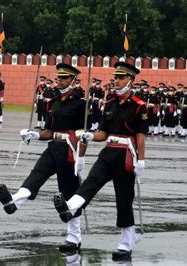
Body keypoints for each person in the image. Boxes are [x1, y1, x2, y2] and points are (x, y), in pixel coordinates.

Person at [53, 62, 148, 262]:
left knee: (124, 199)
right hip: (109, 151)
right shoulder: (110, 102)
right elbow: (103, 133)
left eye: (121, 77)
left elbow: (140, 135)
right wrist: (89, 136)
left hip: (126, 154)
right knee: (91, 182)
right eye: (115, 77)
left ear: (130, 80)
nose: (116, 80)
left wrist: (141, 161)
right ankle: (69, 207)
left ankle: (126, 243)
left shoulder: (139, 105)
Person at [0, 63, 87, 253]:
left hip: (70, 150)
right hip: (53, 146)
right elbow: (48, 131)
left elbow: (84, 133)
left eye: (63, 77)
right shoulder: (54, 102)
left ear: (73, 80)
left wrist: (81, 157)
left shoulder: (81, 104)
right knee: (36, 174)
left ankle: (73, 238)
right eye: (58, 77)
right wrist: (35, 135)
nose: (58, 80)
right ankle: (14, 201)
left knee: (69, 193)